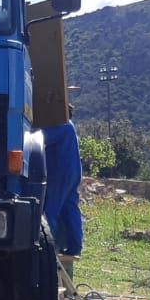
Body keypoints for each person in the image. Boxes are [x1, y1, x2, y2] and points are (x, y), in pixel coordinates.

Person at [40, 118, 84, 281]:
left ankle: (49, 246)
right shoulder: (69, 124)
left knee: (50, 209)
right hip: (72, 171)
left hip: (59, 172)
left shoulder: (60, 123)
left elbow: (40, 137)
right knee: (70, 207)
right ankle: (75, 246)